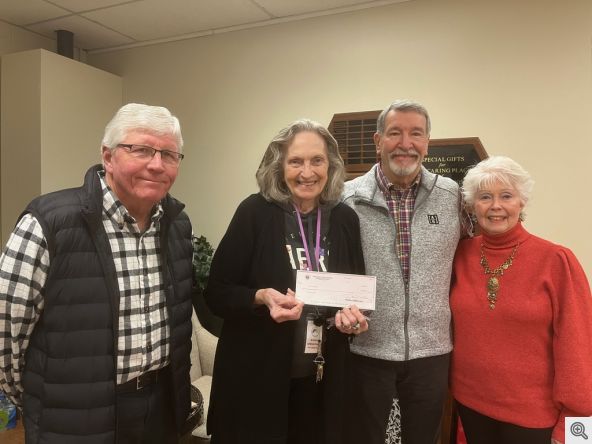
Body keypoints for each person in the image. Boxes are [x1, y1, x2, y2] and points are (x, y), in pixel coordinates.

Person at [0, 103, 197, 443]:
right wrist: (39, 396)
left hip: (160, 407)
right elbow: (6, 331)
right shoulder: (49, 222)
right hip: (74, 413)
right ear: (108, 156)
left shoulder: (177, 224)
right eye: (141, 150)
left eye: (169, 154)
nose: (156, 164)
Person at [204, 119, 367, 444]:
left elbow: (356, 293)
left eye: (316, 161)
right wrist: (261, 297)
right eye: (296, 161)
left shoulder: (345, 218)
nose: (307, 172)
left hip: (321, 379)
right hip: (256, 379)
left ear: (331, 165)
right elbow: (217, 293)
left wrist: (354, 319)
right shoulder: (254, 212)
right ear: (279, 166)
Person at [342, 99, 463, 444]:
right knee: (361, 437)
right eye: (395, 133)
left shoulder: (451, 195)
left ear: (427, 142)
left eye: (416, 134)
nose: (405, 143)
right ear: (378, 141)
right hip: (367, 348)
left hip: (432, 351)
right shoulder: (346, 199)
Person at [451, 156, 592, 444]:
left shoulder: (556, 260)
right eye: (485, 197)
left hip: (536, 417)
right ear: (472, 205)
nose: (496, 206)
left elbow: (579, 347)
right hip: (470, 405)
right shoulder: (459, 256)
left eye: (506, 196)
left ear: (522, 202)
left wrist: (578, 430)